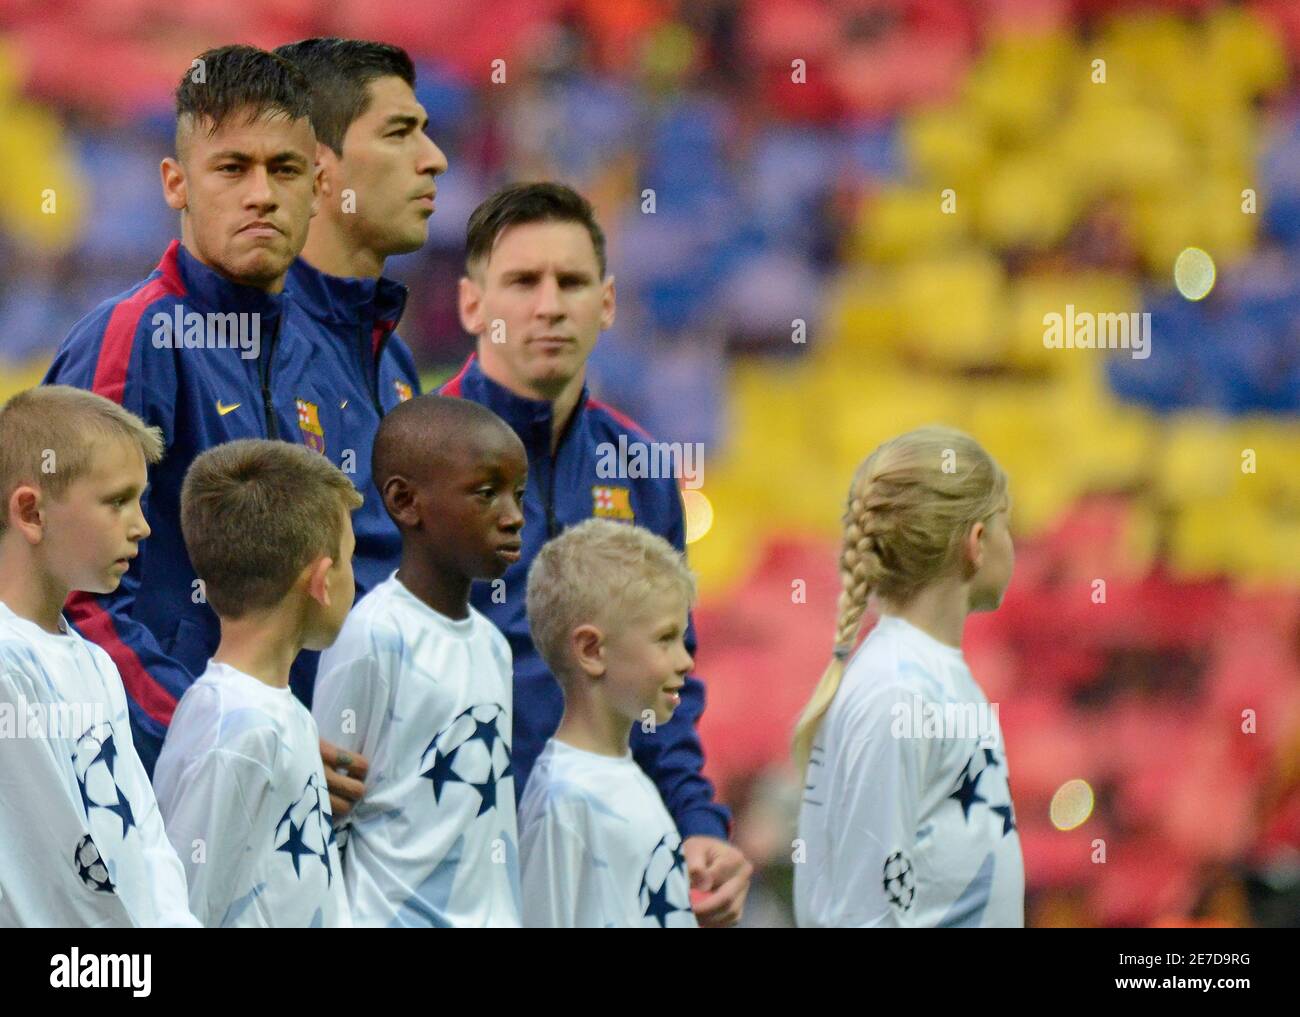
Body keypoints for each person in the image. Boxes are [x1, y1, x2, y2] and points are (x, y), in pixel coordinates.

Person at [441, 181, 751, 925]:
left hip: (600, 869)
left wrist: (698, 823)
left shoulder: (644, 470)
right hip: (444, 871)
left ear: (606, 303)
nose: (549, 304)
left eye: (571, 282)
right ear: (471, 304)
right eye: (522, 281)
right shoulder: (416, 459)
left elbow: (664, 682)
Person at [273, 36, 447, 711]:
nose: (435, 159)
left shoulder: (393, 359)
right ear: (319, 168)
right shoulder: (240, 346)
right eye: (401, 132)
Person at [792, 426, 1023, 928]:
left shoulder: (930, 675)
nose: (1013, 544)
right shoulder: (900, 692)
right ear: (977, 542)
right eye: (1007, 524)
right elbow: (865, 914)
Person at [312, 395, 528, 927]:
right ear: (406, 502)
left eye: (519, 495)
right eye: (487, 494)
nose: (514, 517)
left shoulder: (493, 647)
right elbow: (321, 819)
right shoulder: (373, 634)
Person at [0, 386, 198, 927]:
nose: (142, 526)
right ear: (32, 511)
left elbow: (146, 839)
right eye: (117, 501)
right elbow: (46, 884)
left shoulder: (93, 662)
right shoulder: (8, 666)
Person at [152, 441, 361, 927]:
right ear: (322, 581)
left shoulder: (276, 711)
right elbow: (181, 911)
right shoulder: (239, 735)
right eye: (350, 559)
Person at [518, 519, 699, 928]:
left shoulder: (626, 776)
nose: (685, 660)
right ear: (591, 650)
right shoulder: (564, 799)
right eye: (665, 638)